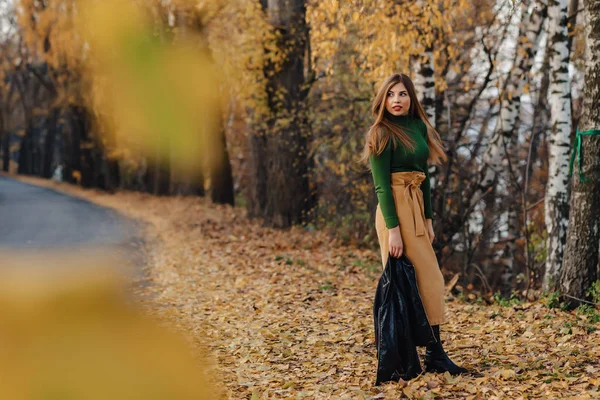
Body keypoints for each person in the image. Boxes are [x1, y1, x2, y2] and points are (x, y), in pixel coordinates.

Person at [360, 73, 468, 376]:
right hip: (393, 209)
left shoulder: (419, 127)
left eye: (403, 94)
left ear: (412, 98)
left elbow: (425, 177)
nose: (397, 99)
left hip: (416, 206)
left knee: (428, 280)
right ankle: (413, 355)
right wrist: (393, 230)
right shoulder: (380, 132)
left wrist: (429, 218)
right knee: (406, 281)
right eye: (391, 94)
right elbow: (381, 186)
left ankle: (435, 354)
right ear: (383, 99)